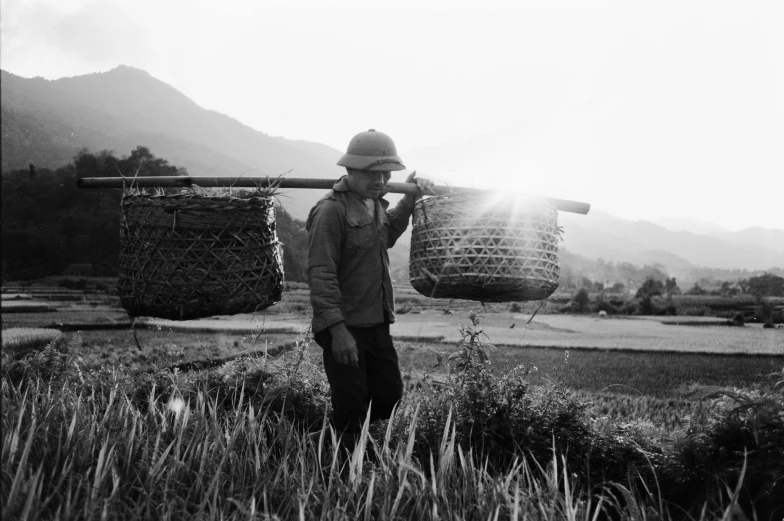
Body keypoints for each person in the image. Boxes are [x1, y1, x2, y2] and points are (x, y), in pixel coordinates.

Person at [306, 129, 433, 451]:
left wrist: (409, 197)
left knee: (389, 395)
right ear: (351, 170)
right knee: (351, 403)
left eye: (387, 173)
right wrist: (337, 330)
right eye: (373, 173)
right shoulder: (330, 211)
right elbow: (321, 273)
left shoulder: (373, 204)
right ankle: (340, 468)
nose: (382, 179)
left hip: (376, 320)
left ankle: (325, 440)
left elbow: (387, 233)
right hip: (344, 325)